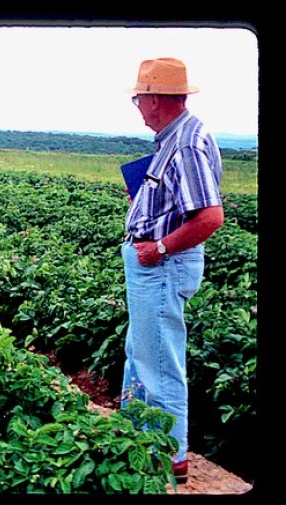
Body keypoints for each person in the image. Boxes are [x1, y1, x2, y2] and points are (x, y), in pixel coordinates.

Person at [120, 57, 224, 484]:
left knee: (159, 363)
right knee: (143, 356)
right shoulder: (175, 136)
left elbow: (210, 217)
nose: (137, 106)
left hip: (162, 266)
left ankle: (169, 457)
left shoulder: (184, 144)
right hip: (156, 265)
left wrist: (158, 247)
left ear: (157, 100)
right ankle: (138, 439)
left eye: (138, 98)